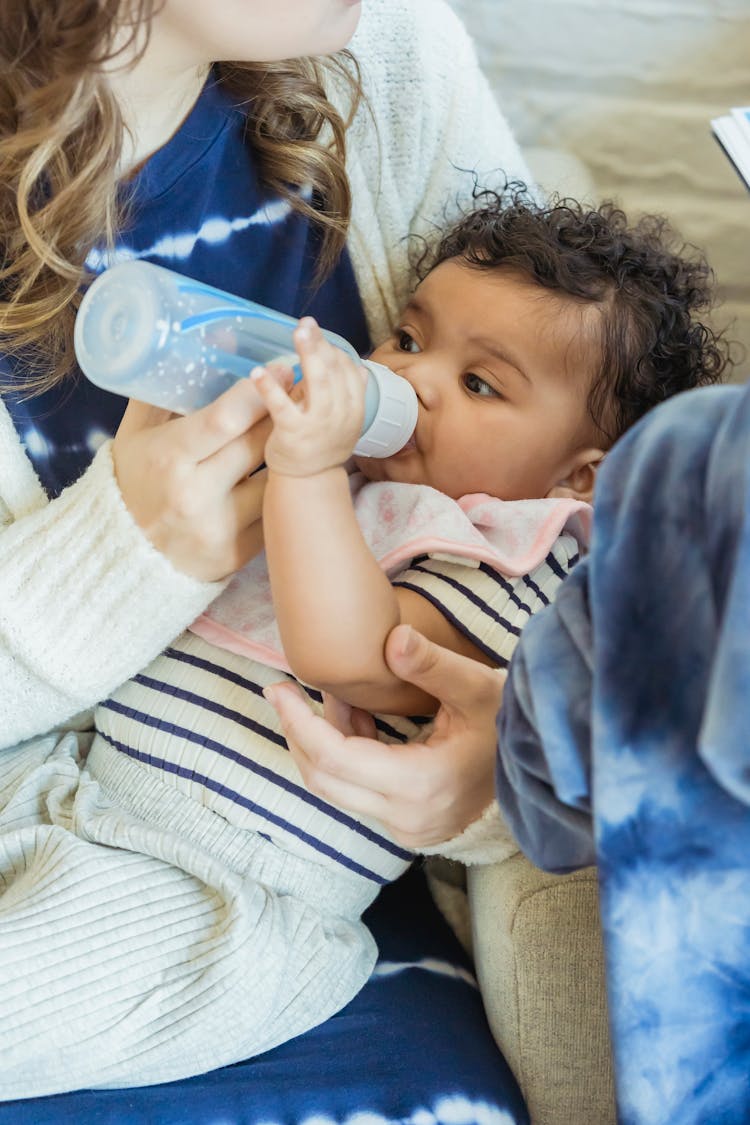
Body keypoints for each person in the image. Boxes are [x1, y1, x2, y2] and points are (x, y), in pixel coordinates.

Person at [6, 189, 727, 1099]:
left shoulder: (522, 556)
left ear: (578, 474)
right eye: (411, 340)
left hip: (221, 893)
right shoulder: (343, 479)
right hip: (73, 792)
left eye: (479, 383)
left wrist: (303, 471)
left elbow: (363, 655)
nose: (413, 380)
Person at [0, 0, 531, 1116]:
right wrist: (119, 558)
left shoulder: (391, 55)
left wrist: (520, 761)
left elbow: (587, 462)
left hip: (257, 898)